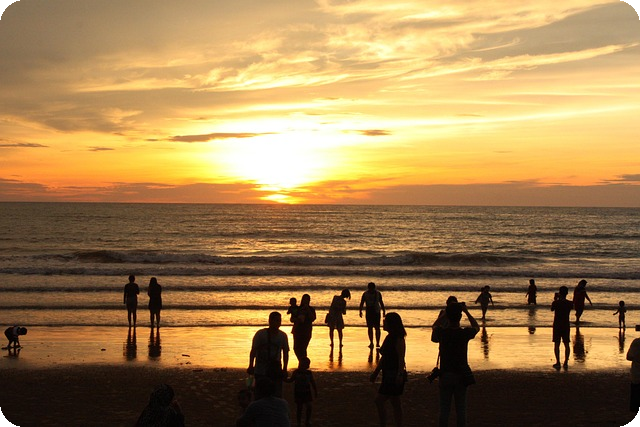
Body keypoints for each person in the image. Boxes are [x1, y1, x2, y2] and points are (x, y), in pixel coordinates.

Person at [431, 301, 480, 427]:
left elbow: (434, 326)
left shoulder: (442, 333)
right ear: (460, 317)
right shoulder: (464, 333)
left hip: (445, 374)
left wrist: (444, 314)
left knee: (444, 410)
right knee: (461, 409)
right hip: (461, 374)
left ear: (448, 316)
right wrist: (466, 311)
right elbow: (476, 327)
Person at [370, 312, 407, 427]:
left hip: (393, 374)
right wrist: (376, 372)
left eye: (385, 322)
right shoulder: (389, 337)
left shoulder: (398, 339)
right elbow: (384, 357)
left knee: (380, 400)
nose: (383, 323)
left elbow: (401, 358)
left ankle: (384, 424)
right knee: (395, 402)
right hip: (388, 373)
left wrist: (399, 375)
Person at [248, 312, 290, 398]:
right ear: (270, 321)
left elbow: (285, 352)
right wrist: (251, 365)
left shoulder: (282, 336)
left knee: (276, 392)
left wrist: (285, 368)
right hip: (261, 367)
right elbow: (253, 350)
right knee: (259, 392)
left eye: (279, 320)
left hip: (276, 367)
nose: (278, 323)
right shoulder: (260, 334)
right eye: (276, 320)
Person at [285, 356, 318, 427]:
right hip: (298, 392)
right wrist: (284, 378)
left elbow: (312, 382)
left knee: (309, 406)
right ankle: (299, 422)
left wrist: (315, 391)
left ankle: (307, 421)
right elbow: (291, 380)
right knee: (299, 408)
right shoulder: (296, 372)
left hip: (307, 392)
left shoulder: (309, 373)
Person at [551, 286, 574, 369]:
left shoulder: (556, 303)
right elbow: (572, 307)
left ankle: (558, 362)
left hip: (557, 324)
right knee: (566, 344)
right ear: (567, 293)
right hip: (566, 324)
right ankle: (566, 362)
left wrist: (555, 299)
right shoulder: (569, 303)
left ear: (560, 293)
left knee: (557, 344)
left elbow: (552, 309)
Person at [359, 282, 386, 349]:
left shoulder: (376, 294)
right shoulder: (367, 294)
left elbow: (381, 302)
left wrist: (383, 311)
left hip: (375, 311)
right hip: (372, 311)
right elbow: (362, 303)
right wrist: (360, 311)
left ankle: (376, 342)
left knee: (376, 328)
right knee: (371, 328)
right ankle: (372, 342)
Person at [292, 294, 316, 362]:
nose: (305, 301)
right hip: (297, 330)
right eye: (304, 299)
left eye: (307, 299)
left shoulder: (311, 309)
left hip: (306, 331)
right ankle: (302, 361)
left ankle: (303, 362)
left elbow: (313, 318)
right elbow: (292, 319)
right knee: (296, 348)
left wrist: (307, 309)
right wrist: (297, 319)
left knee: (303, 348)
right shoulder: (298, 309)